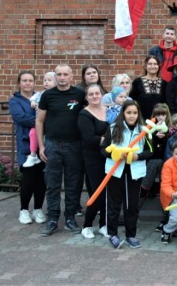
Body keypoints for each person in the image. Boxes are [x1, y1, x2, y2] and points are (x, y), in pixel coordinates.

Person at [36, 64, 85, 236]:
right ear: (55, 76)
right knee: (53, 184)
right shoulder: (47, 95)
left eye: (65, 74)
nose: (62, 77)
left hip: (74, 146)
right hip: (53, 145)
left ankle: (70, 218)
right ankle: (52, 219)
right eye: (59, 74)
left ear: (71, 76)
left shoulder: (80, 94)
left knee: (73, 184)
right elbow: (39, 121)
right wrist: (41, 146)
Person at [101, 100, 153, 249]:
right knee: (114, 204)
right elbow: (103, 149)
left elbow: (150, 151)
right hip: (115, 172)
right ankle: (112, 234)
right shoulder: (112, 128)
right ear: (123, 113)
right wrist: (115, 155)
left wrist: (138, 157)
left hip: (134, 172)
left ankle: (131, 235)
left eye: (135, 113)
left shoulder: (144, 130)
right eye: (129, 112)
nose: (132, 116)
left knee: (132, 205)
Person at [10, 71, 46, 225]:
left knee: (41, 179)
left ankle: (38, 209)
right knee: (28, 179)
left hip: (42, 144)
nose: (27, 83)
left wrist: (42, 120)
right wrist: (41, 121)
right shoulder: (15, 101)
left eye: (30, 80)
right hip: (26, 145)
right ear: (19, 83)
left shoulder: (40, 98)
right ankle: (24, 210)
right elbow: (21, 118)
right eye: (24, 80)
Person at [77, 85, 109, 239]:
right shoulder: (84, 114)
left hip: (109, 157)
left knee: (109, 192)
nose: (95, 96)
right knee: (97, 192)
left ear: (102, 95)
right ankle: (87, 225)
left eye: (97, 93)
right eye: (91, 94)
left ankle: (103, 224)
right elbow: (89, 138)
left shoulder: (108, 110)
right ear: (87, 97)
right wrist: (109, 140)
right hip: (92, 158)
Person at [24, 72, 57, 168]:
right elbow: (32, 99)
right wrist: (33, 102)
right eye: (45, 80)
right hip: (39, 122)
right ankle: (33, 154)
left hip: (50, 123)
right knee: (32, 133)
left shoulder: (56, 94)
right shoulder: (40, 94)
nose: (46, 82)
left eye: (49, 80)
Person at [141, 103, 171, 197]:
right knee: (155, 163)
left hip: (166, 158)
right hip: (153, 157)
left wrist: (165, 135)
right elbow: (148, 146)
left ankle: (162, 193)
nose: (161, 117)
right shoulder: (149, 127)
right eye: (158, 115)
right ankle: (145, 190)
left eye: (163, 115)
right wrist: (155, 135)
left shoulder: (170, 127)